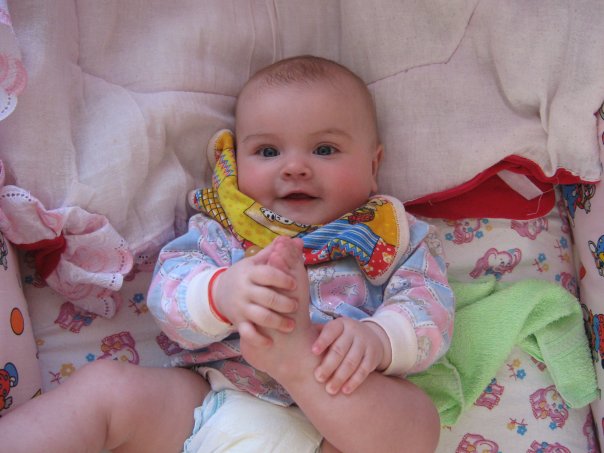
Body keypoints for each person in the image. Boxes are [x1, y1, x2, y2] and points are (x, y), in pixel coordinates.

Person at [0, 55, 454, 453]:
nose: (295, 166)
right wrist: (222, 294)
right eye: (268, 150)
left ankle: (298, 363)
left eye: (324, 149)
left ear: (373, 166)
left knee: (416, 427)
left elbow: (429, 306)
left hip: (334, 413)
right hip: (212, 401)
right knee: (106, 391)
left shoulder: (391, 235)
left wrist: (378, 339)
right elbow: (168, 295)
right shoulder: (222, 230)